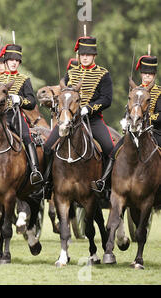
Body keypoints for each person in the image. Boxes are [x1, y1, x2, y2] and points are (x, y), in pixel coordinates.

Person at [42, 36, 114, 199]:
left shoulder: (103, 74)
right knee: (47, 147)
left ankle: (105, 184)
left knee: (110, 149)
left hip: (93, 120)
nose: (85, 57)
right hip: (69, 120)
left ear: (94, 56)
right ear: (79, 56)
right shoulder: (71, 73)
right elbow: (63, 95)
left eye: (88, 55)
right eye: (82, 55)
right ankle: (47, 183)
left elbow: (106, 99)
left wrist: (88, 109)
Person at [91, 54, 160, 193]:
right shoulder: (134, 91)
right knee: (114, 152)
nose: (147, 76)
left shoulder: (159, 92)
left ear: (154, 75)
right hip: (134, 131)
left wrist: (147, 119)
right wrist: (126, 121)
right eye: (145, 73)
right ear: (141, 74)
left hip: (155, 131)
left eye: (150, 74)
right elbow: (127, 111)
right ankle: (104, 181)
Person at [0, 43, 43, 185]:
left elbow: (32, 102)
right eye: (11, 60)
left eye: (17, 61)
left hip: (15, 116)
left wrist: (20, 100)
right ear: (5, 61)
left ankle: (35, 170)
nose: (14, 63)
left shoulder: (24, 79)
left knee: (27, 137)